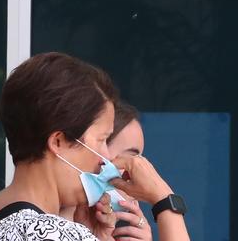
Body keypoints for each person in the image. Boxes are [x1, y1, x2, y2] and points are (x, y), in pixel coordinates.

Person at [0, 52, 119, 241]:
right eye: (102, 140)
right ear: (58, 142)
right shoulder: (52, 232)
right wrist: (162, 204)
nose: (106, 157)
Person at [63, 101, 191, 241]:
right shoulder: (45, 228)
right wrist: (163, 199)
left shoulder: (100, 231)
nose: (143, 173)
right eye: (131, 159)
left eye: (140, 161)